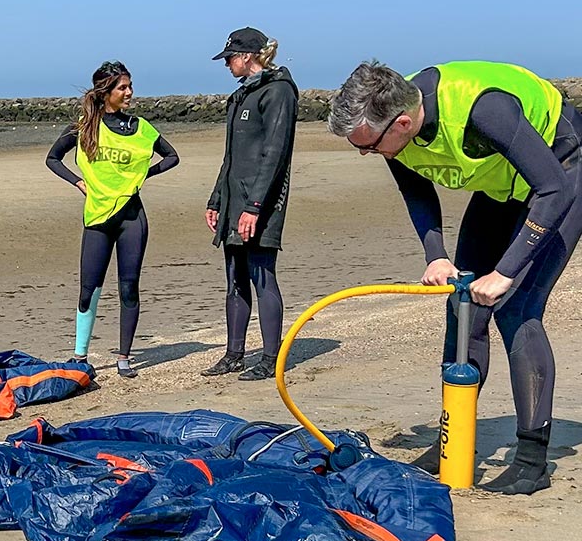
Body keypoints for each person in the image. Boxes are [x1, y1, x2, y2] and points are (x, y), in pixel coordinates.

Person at [328, 60, 582, 494]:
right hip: (502, 185)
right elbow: (417, 191)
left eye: (369, 147)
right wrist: (436, 256)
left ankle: (531, 460)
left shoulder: (485, 112)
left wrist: (504, 272)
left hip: (563, 174)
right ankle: (455, 439)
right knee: (463, 306)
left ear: (402, 122)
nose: (367, 154)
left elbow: (553, 189)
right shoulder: (394, 128)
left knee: (516, 309)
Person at [46, 61, 179, 378]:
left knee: (129, 287)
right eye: (123, 87)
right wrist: (78, 182)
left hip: (132, 218)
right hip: (97, 218)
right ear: (106, 92)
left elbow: (172, 156)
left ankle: (124, 357)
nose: (130, 92)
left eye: (130, 86)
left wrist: (144, 173)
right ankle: (80, 355)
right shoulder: (85, 126)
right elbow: (52, 158)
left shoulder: (141, 127)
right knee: (88, 288)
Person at [201, 27, 299, 381]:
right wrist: (217, 199)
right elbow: (231, 156)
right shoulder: (240, 96)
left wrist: (255, 206)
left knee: (262, 275)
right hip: (233, 198)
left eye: (229, 58)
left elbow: (274, 154)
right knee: (234, 278)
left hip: (261, 201)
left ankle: (272, 357)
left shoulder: (278, 93)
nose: (227, 64)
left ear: (248, 56)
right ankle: (234, 354)